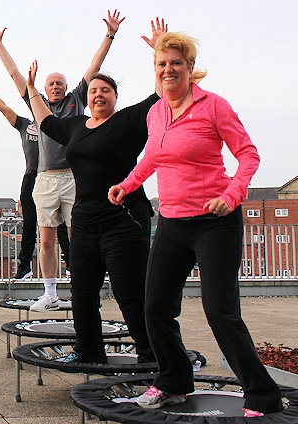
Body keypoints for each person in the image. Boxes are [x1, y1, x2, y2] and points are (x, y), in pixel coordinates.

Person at [108, 31, 284, 417]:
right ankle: (173, 381)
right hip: (171, 222)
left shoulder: (213, 106)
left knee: (220, 311)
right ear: (155, 71)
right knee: (154, 308)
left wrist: (232, 196)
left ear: (190, 69)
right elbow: (152, 159)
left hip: (213, 222)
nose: (168, 70)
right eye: (161, 64)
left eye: (176, 63)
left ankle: (263, 395)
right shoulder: (156, 113)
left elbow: (248, 155)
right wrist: (127, 184)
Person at [26, 18, 165, 363]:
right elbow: (45, 121)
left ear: (115, 97)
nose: (98, 93)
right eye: (93, 91)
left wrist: (161, 52)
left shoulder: (129, 121)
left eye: (105, 90)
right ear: (86, 99)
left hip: (124, 219)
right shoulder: (75, 126)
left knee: (129, 293)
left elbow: (160, 95)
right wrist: (30, 87)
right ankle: (89, 351)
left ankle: (150, 354)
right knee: (82, 293)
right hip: (84, 221)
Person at [0, 10, 124, 311]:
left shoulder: (77, 100)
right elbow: (14, 76)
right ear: (45, 89)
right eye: (51, 84)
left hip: (74, 177)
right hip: (46, 178)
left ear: (67, 86)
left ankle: (82, 291)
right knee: (46, 240)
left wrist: (109, 34)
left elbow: (95, 67)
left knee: (78, 238)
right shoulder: (38, 106)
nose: (56, 87)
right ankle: (50, 293)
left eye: (60, 83)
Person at [0, 73, 71, 282]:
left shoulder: (57, 123)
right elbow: (4, 108)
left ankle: (71, 264)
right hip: (32, 177)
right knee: (29, 223)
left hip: (55, 176)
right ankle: (24, 267)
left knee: (61, 222)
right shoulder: (25, 124)